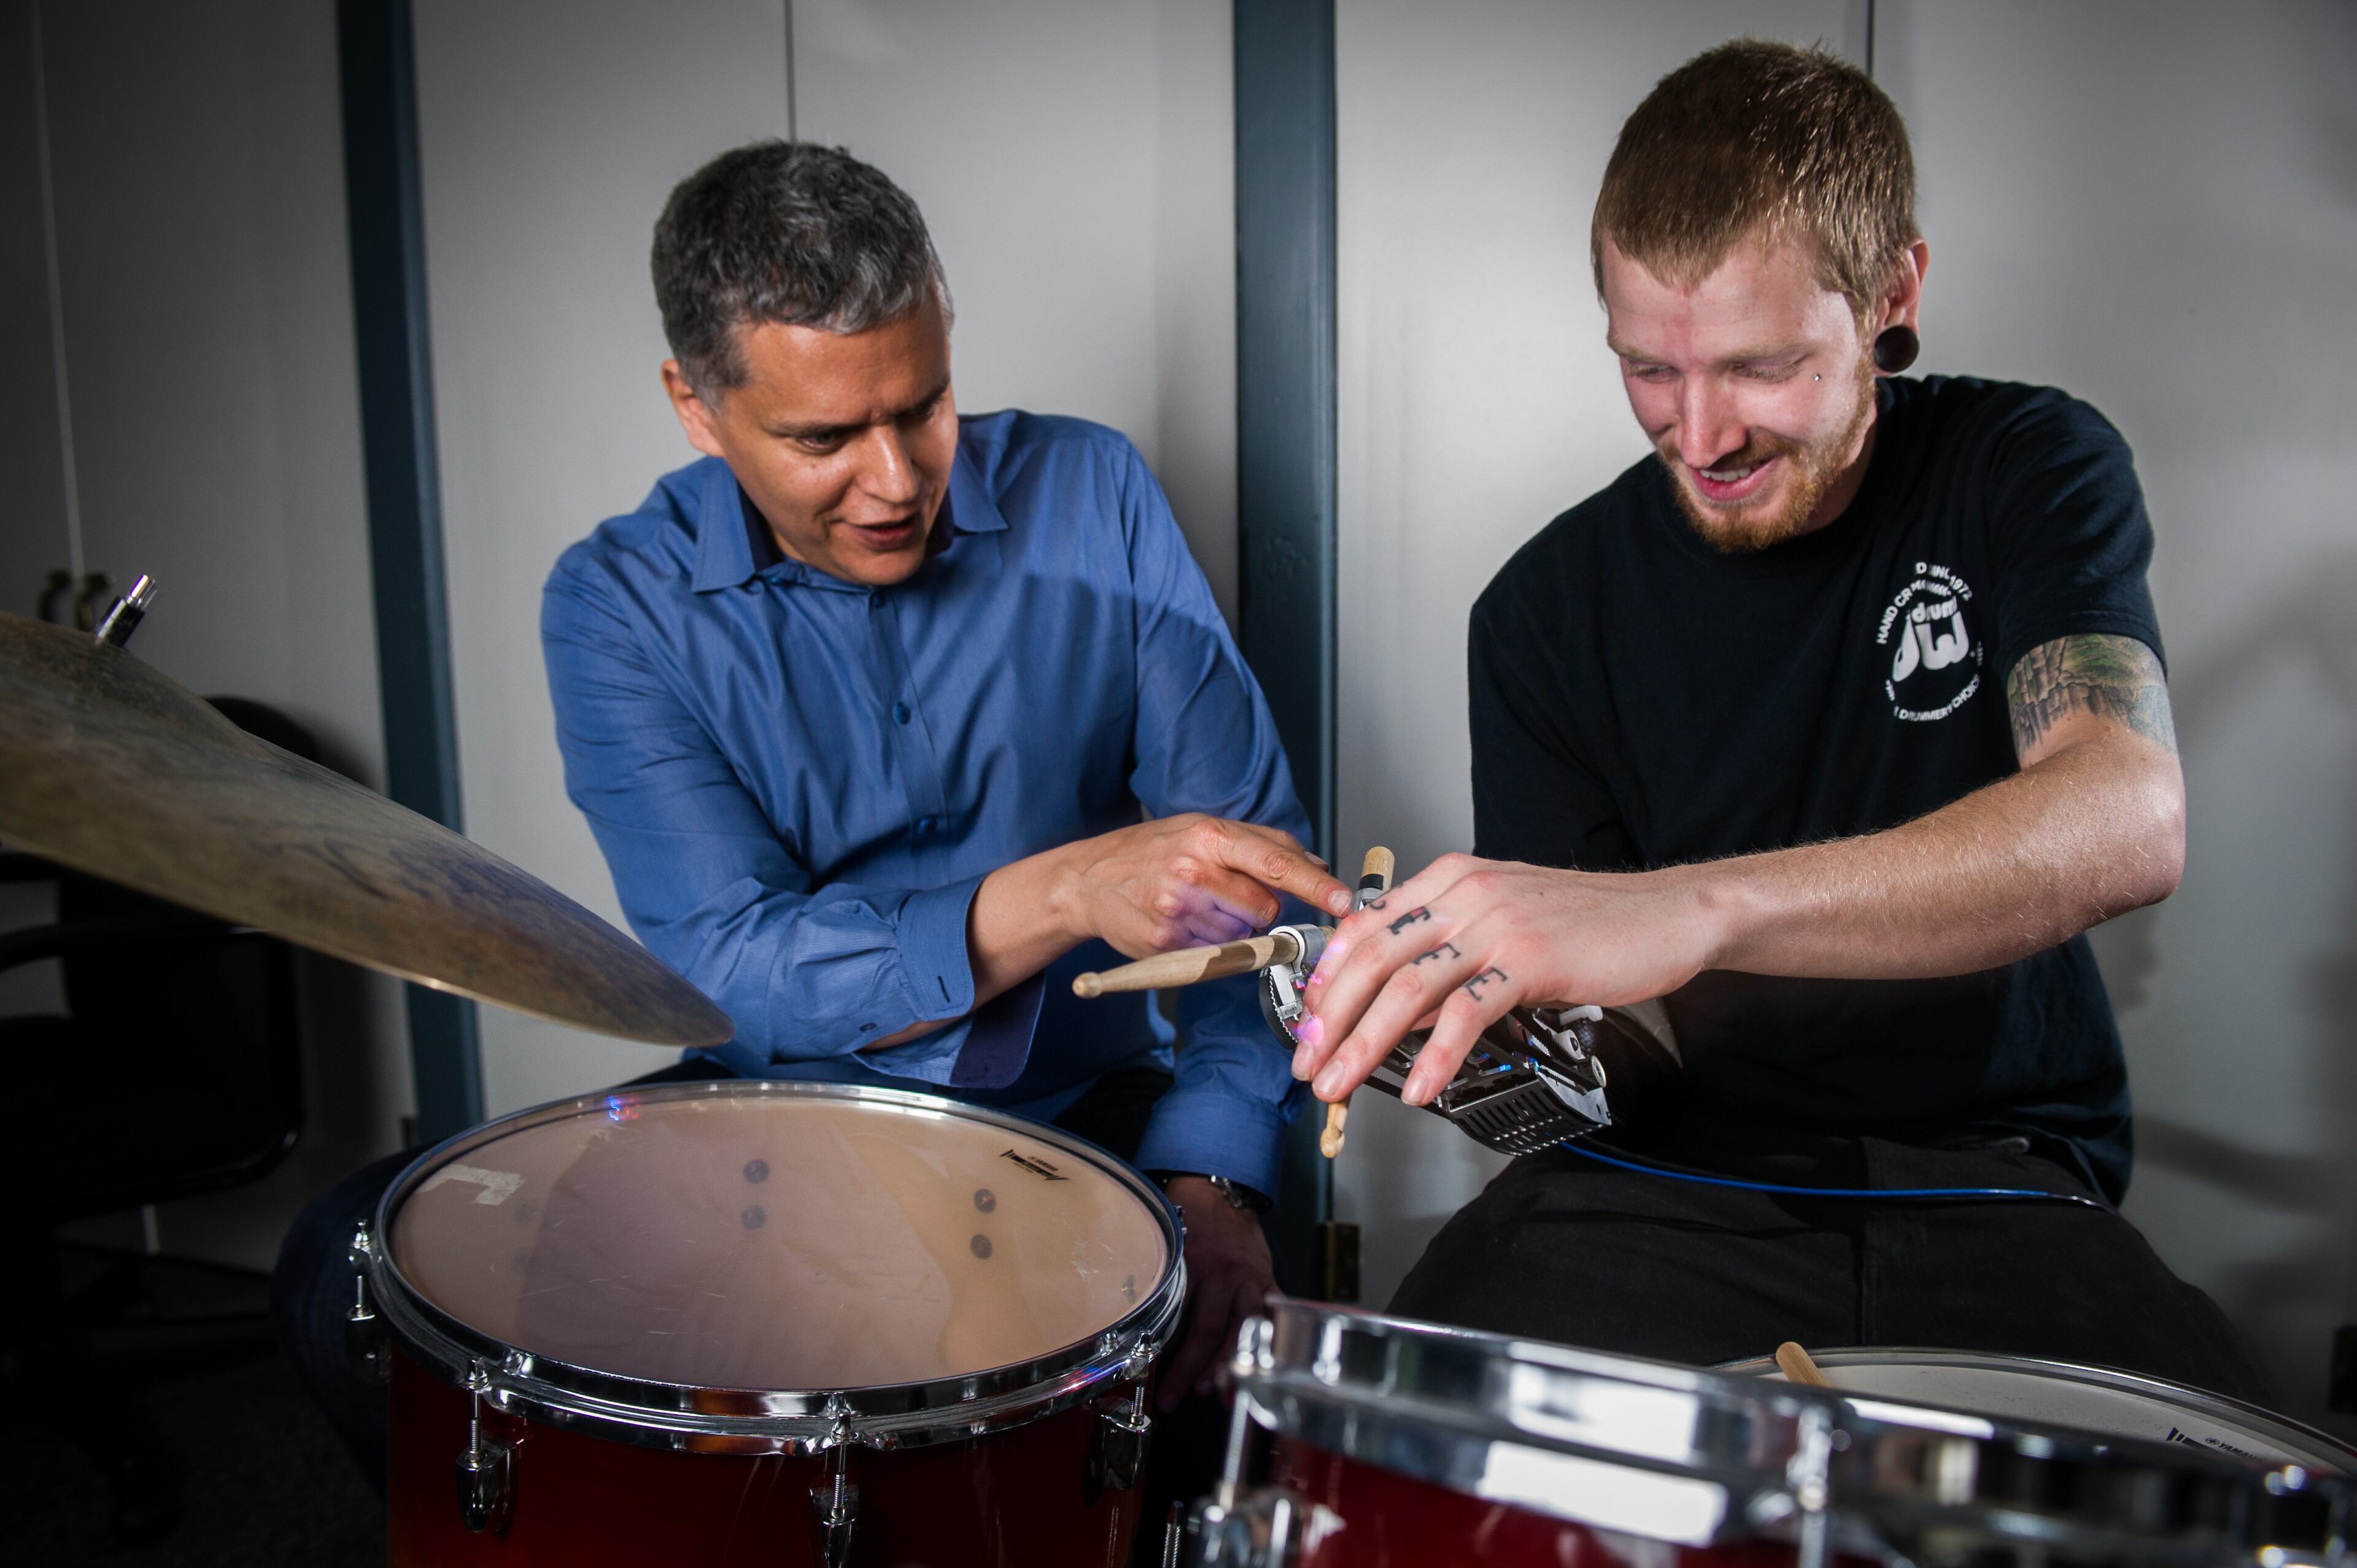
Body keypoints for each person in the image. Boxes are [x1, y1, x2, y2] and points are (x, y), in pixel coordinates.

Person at [271, 142, 1350, 1523]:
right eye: (823, 439)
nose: (897, 478)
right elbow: (734, 966)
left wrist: (1212, 1173)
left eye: (926, 405)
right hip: (777, 1110)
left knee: (1221, 1392)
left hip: (1091, 1109)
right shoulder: (615, 605)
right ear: (697, 407)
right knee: (341, 1266)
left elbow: (1260, 878)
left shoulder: (1098, 494)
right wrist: (1071, 887)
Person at [1286, 41, 2269, 1400]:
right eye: (1647, 370)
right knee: (1389, 1439)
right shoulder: (1540, 614)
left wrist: (1698, 909)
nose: (1700, 436)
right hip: (1658, 1189)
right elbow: (1619, 1070)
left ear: (1892, 297)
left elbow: (2125, 815)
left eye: (1759, 369)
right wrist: (1488, 1042)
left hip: (1996, 1185)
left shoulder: (2027, 469)